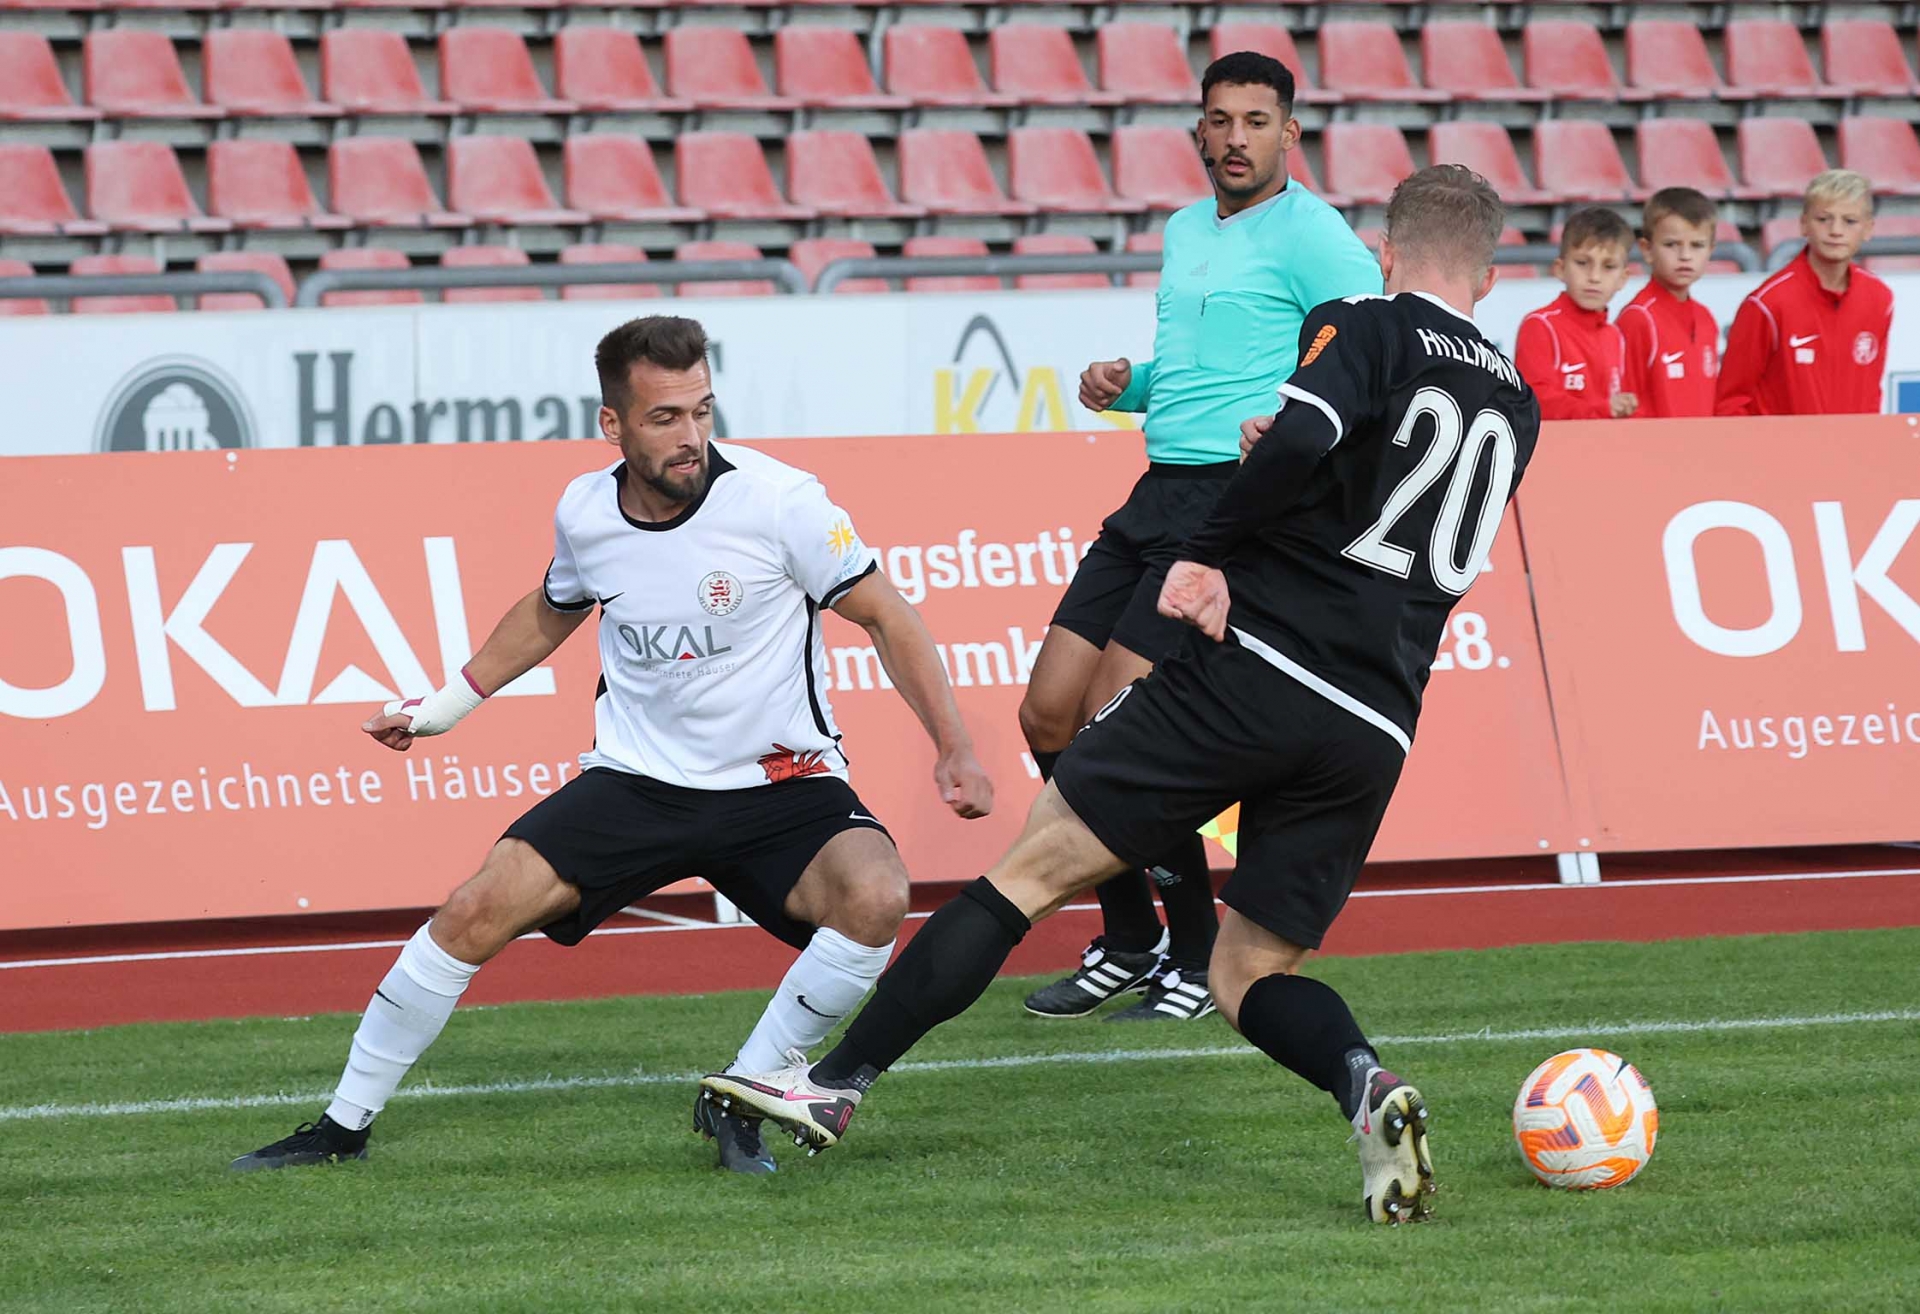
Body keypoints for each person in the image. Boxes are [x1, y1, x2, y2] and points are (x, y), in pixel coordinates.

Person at [704, 166, 1541, 1226]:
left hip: (1259, 670)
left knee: (1028, 872)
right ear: (1493, 273)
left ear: (1386, 253)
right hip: (1376, 721)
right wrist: (1295, 470)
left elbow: (1310, 442)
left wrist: (1208, 552)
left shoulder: (1364, 328)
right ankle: (1362, 1082)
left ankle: (834, 1082)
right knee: (1252, 972)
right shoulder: (1518, 399)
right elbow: (1395, 521)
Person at [230, 316, 993, 1178]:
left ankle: (743, 1090)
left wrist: (953, 747)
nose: (692, 436)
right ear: (614, 425)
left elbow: (887, 615)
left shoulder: (784, 502)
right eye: (666, 417)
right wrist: (445, 706)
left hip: (782, 783)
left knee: (878, 895)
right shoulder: (587, 511)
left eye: (703, 411)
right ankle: (342, 1126)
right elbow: (555, 607)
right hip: (637, 784)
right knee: (470, 913)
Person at [1022, 50, 1383, 1023]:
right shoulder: (1186, 230)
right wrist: (1127, 384)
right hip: (1153, 492)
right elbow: (1201, 363)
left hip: (1229, 504)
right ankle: (1132, 936)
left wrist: (1306, 455)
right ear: (1198, 130)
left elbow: (1370, 353)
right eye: (1219, 121)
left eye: (1255, 122)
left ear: (1289, 133)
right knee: (1048, 718)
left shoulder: (1318, 237)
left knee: (1120, 723)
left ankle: (1188, 952)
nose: (1234, 139)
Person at [1715, 169, 1894, 417]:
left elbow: (1870, 391)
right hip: (1783, 454)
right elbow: (1730, 402)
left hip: (1852, 452)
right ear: (1803, 224)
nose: (1835, 230)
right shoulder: (1768, 303)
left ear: (1868, 228)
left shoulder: (1879, 298)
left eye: (1850, 221)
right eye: (1823, 219)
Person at [1515, 207, 1636, 420]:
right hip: (1558, 451)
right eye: (1582, 263)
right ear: (1560, 269)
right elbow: (1534, 402)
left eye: (1608, 266)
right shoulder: (1540, 326)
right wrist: (1603, 410)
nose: (1594, 277)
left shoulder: (1615, 336)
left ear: (1623, 279)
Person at [1618, 187, 1721, 418]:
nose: (1685, 255)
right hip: (1655, 452)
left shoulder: (1706, 319)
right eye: (1671, 244)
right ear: (1647, 249)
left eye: (1697, 245)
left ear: (1711, 251)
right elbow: (1627, 406)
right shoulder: (1638, 318)